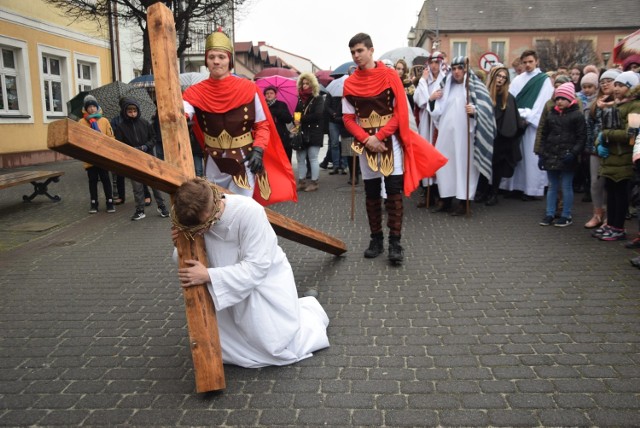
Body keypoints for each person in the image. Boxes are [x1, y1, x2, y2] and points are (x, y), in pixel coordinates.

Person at [172, 178, 330, 368]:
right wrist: (181, 243)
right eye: (200, 227)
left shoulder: (249, 211)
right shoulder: (187, 214)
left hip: (260, 283)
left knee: (272, 344)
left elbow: (257, 267)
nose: (205, 229)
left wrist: (209, 276)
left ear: (214, 202)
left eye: (208, 222)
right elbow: (187, 260)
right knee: (219, 345)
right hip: (224, 287)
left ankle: (308, 312)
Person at [342, 32, 447, 265]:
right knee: (370, 193)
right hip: (366, 144)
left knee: (393, 192)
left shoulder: (390, 76)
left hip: (390, 142)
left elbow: (400, 114)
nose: (356, 55)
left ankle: (395, 243)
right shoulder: (350, 83)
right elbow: (348, 118)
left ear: (371, 50)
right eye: (353, 52)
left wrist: (378, 136)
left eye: (360, 50)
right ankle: (376, 239)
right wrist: (367, 139)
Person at [182, 30, 296, 206]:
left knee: (241, 209)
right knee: (215, 209)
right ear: (206, 60)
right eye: (211, 57)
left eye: (221, 56)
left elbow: (262, 125)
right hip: (214, 160)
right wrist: (177, 116)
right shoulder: (194, 92)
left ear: (230, 60)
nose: (216, 61)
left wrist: (258, 150)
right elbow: (182, 113)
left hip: (244, 158)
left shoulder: (248, 88)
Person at [428, 56, 496, 216]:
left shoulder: (476, 88)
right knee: (444, 166)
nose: (457, 72)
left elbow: (487, 110)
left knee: (464, 167)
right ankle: (446, 200)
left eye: (460, 68)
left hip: (466, 138)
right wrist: (431, 100)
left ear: (466, 70)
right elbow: (436, 112)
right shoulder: (445, 88)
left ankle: (464, 201)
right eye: (454, 69)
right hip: (446, 136)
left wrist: (475, 111)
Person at [500, 50, 555, 201]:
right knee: (517, 156)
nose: (528, 65)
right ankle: (514, 187)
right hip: (517, 123)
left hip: (531, 125)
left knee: (530, 158)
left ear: (536, 61)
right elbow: (510, 99)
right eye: (525, 62)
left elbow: (543, 102)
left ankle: (531, 189)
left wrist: (528, 117)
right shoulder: (518, 79)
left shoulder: (544, 80)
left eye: (530, 62)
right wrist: (516, 117)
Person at [593, 71, 640, 241]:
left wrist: (607, 134)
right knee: (611, 193)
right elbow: (602, 129)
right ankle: (610, 224)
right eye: (617, 85)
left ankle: (618, 227)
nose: (617, 88)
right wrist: (600, 142)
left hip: (623, 158)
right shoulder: (616, 105)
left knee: (620, 195)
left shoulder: (635, 106)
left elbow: (631, 134)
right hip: (611, 158)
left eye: (622, 85)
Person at [537, 82, 586, 227]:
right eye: (558, 98)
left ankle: (566, 214)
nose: (560, 101)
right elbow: (544, 134)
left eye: (563, 98)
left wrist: (574, 153)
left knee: (566, 186)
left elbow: (581, 137)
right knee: (552, 186)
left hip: (567, 156)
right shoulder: (551, 114)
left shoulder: (577, 116)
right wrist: (541, 153)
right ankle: (550, 213)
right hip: (551, 154)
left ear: (570, 99)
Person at [113, 98, 170, 221]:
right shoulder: (121, 127)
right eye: (129, 110)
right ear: (125, 111)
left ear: (138, 111)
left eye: (134, 110)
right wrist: (132, 150)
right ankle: (140, 209)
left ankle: (162, 206)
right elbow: (119, 143)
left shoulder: (145, 123)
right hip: (133, 160)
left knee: (155, 183)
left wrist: (146, 146)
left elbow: (153, 137)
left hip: (148, 157)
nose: (132, 113)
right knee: (137, 186)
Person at [482, 65, 524, 206]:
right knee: (484, 164)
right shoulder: (485, 94)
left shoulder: (509, 98)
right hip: (486, 136)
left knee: (497, 167)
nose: (500, 80)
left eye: (504, 78)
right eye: (499, 76)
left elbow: (512, 120)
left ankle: (494, 193)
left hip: (501, 139)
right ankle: (483, 191)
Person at [584, 69, 621, 229]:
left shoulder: (622, 102)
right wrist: (590, 147)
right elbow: (590, 128)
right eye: (603, 82)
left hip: (615, 149)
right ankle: (597, 213)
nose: (605, 84)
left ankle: (611, 217)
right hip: (596, 149)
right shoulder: (595, 104)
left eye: (609, 81)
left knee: (611, 184)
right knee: (595, 183)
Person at [413, 51, 447, 208]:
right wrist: (429, 97)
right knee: (426, 156)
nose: (434, 66)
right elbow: (419, 100)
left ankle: (441, 195)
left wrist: (430, 99)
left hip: (439, 123)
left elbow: (444, 100)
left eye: (437, 63)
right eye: (432, 63)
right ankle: (428, 194)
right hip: (426, 123)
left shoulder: (445, 80)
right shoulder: (424, 81)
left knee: (438, 155)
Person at [79, 95, 116, 214]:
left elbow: (111, 137)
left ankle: (110, 202)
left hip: (103, 154)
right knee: (92, 180)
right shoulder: (81, 122)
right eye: (89, 107)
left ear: (97, 107)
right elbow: (79, 138)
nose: (91, 109)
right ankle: (94, 203)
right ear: (85, 109)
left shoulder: (104, 120)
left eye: (93, 106)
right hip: (90, 155)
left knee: (105, 178)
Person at [293, 72, 325, 192]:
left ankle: (314, 182)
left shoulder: (318, 98)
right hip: (302, 132)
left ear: (313, 84)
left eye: (307, 83)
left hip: (314, 132)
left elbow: (318, 115)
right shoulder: (300, 98)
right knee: (300, 158)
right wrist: (295, 119)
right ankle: (301, 182)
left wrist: (300, 119)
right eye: (303, 83)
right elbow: (297, 113)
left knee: (312, 158)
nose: (304, 86)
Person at [324, 81, 349, 176]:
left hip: (344, 120)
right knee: (334, 143)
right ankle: (335, 166)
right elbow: (326, 105)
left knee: (345, 143)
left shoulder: (348, 92)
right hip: (333, 120)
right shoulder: (331, 92)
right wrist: (333, 113)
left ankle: (344, 166)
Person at [263, 86, 293, 163]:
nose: (269, 95)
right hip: (267, 136)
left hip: (281, 136)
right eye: (267, 93)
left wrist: (278, 112)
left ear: (275, 95)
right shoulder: (262, 105)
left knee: (284, 158)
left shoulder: (281, 104)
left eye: (271, 93)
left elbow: (288, 119)